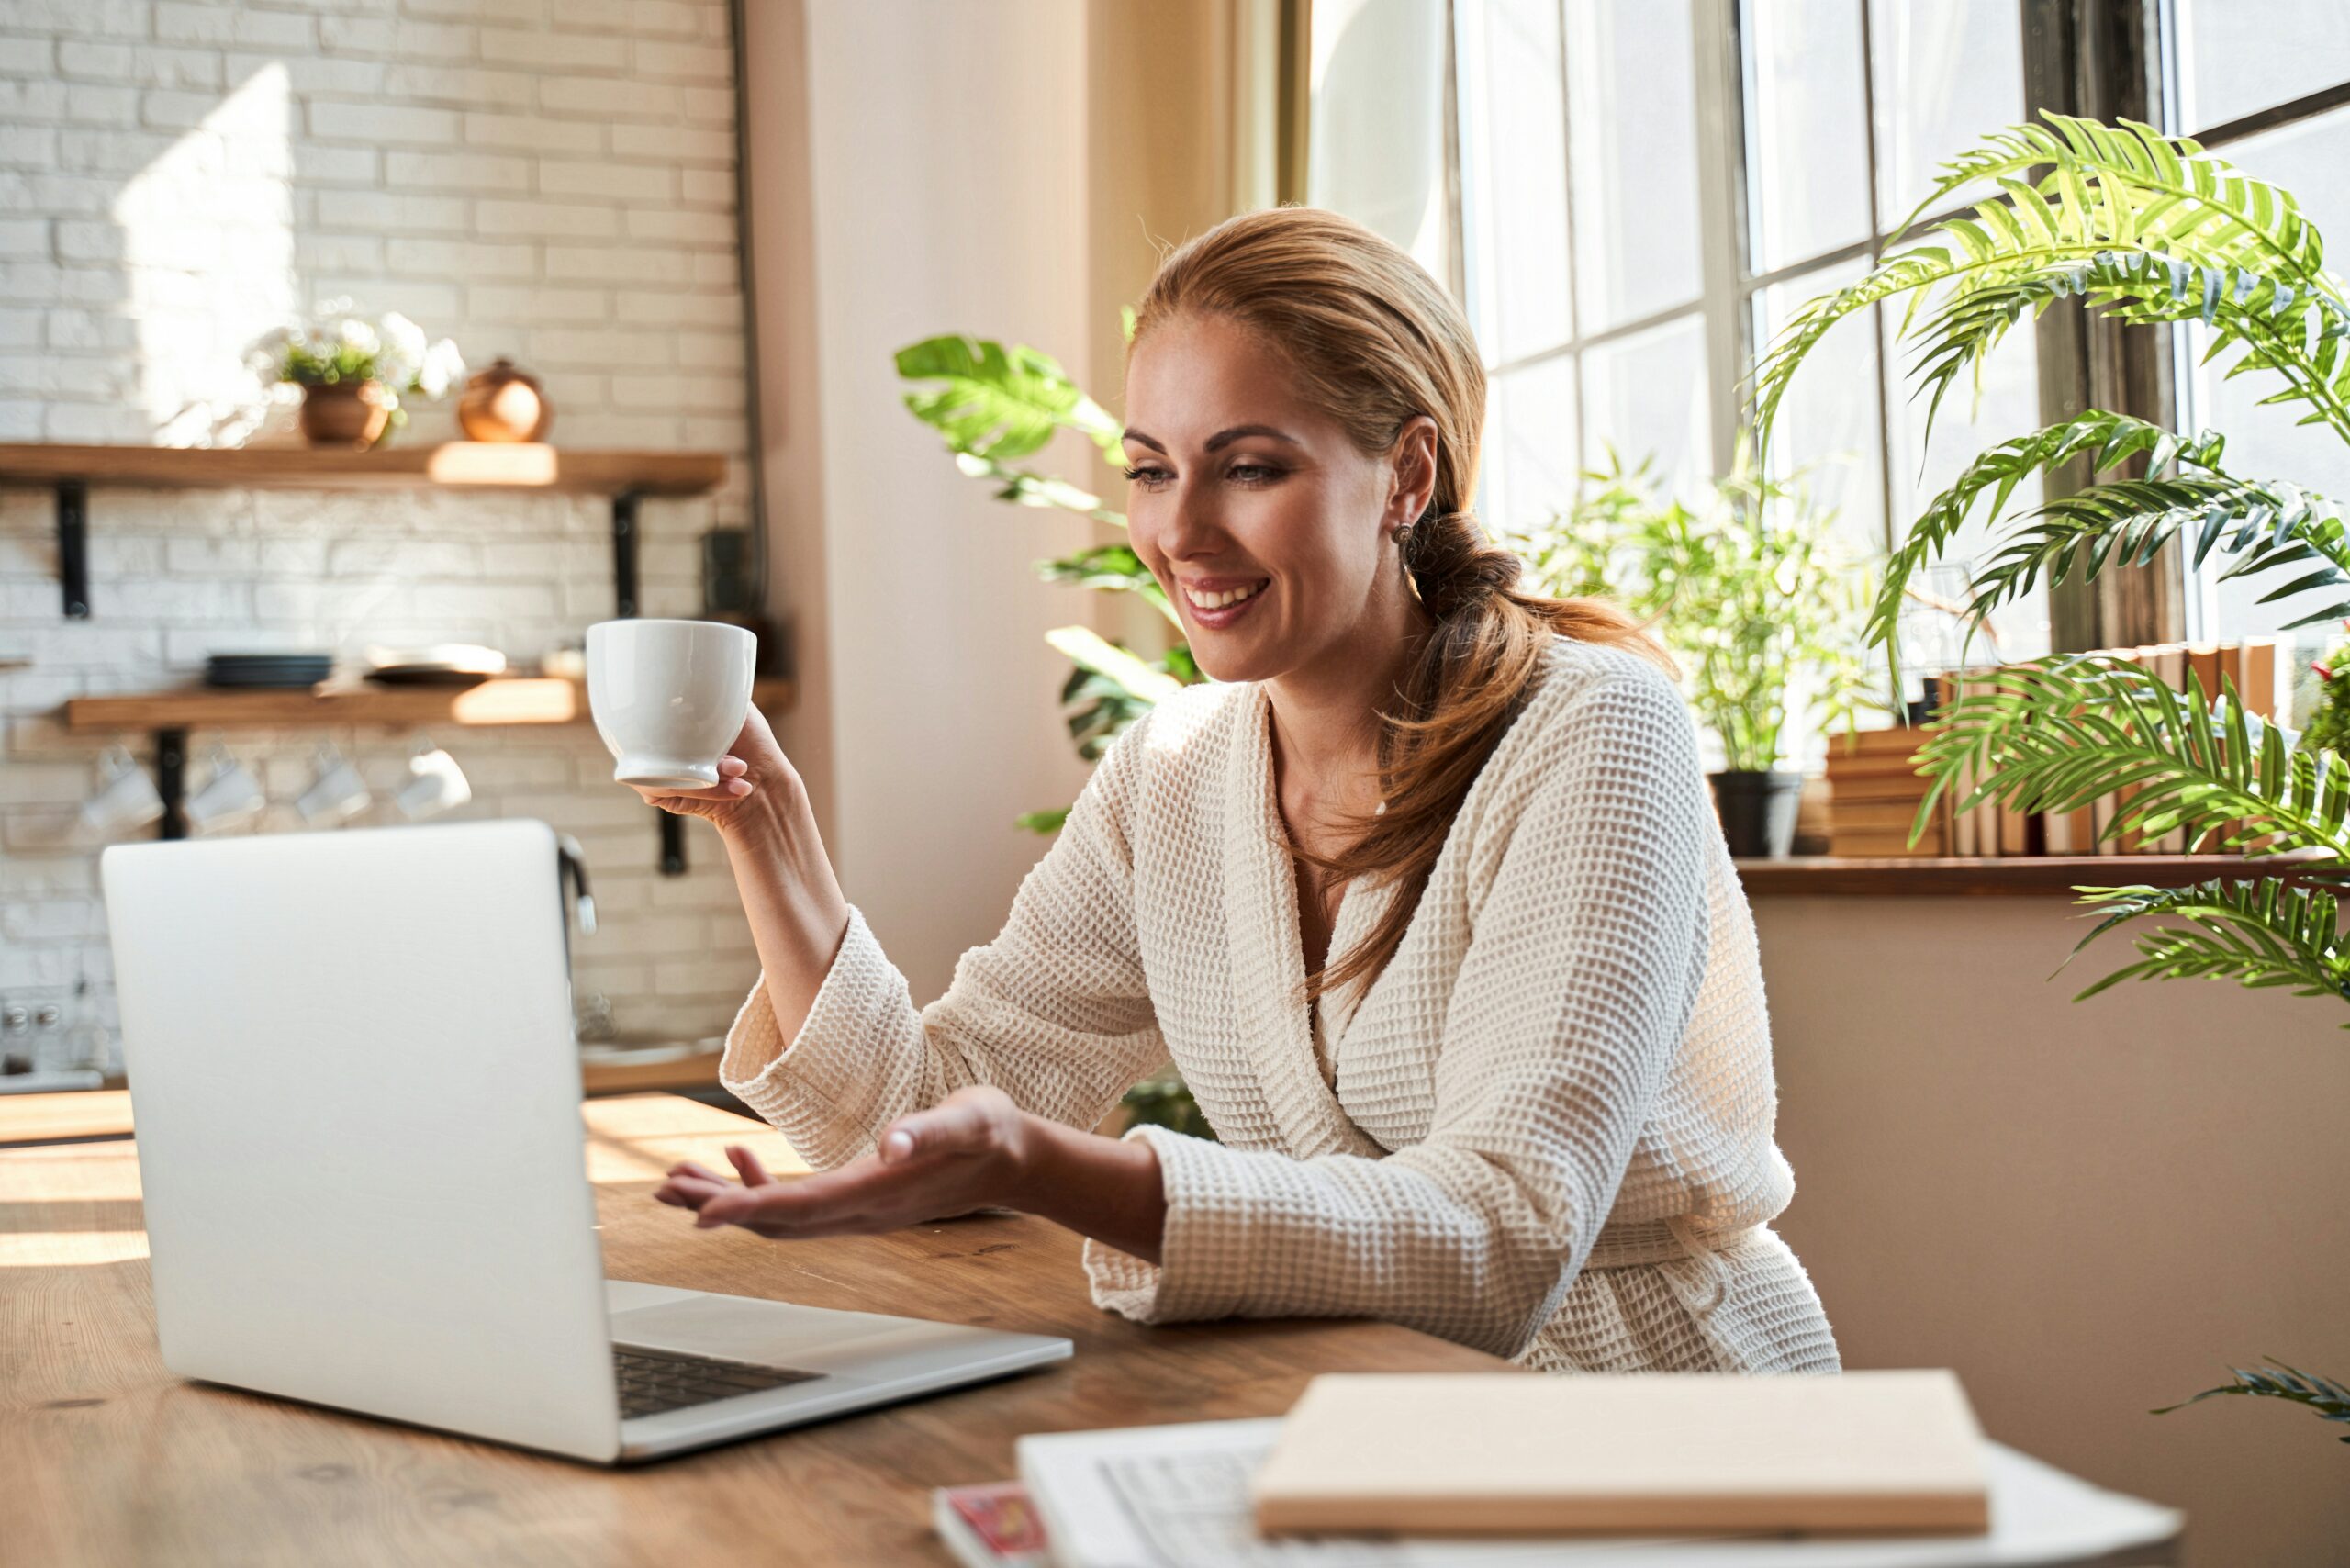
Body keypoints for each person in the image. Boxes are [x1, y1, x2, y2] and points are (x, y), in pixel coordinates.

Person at [636, 207, 1840, 1374]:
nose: (1183, 531)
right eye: (1151, 471)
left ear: (1408, 473)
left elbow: (1506, 1233)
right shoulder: (1172, 778)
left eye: (1249, 468)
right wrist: (767, 828)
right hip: (1362, 1402)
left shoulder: (1591, 735)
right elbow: (915, 1116)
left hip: (1655, 1417)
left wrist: (1045, 1167)